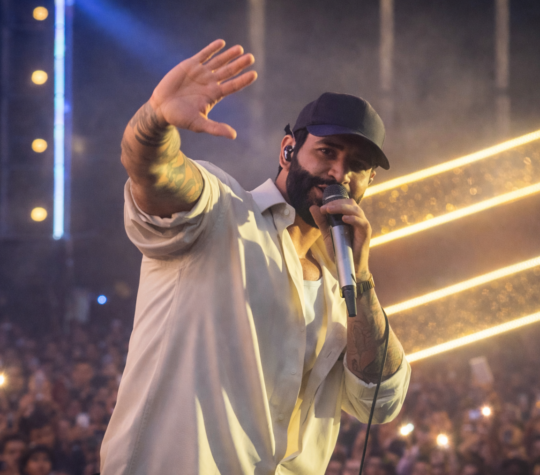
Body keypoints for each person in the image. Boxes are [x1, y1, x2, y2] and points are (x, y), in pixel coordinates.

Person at [100, 39, 411, 474]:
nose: (339, 173)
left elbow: (380, 402)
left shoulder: (344, 289)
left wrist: (360, 278)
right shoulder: (220, 211)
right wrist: (154, 122)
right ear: (288, 150)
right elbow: (154, 174)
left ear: (369, 181)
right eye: (327, 152)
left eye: (357, 165)